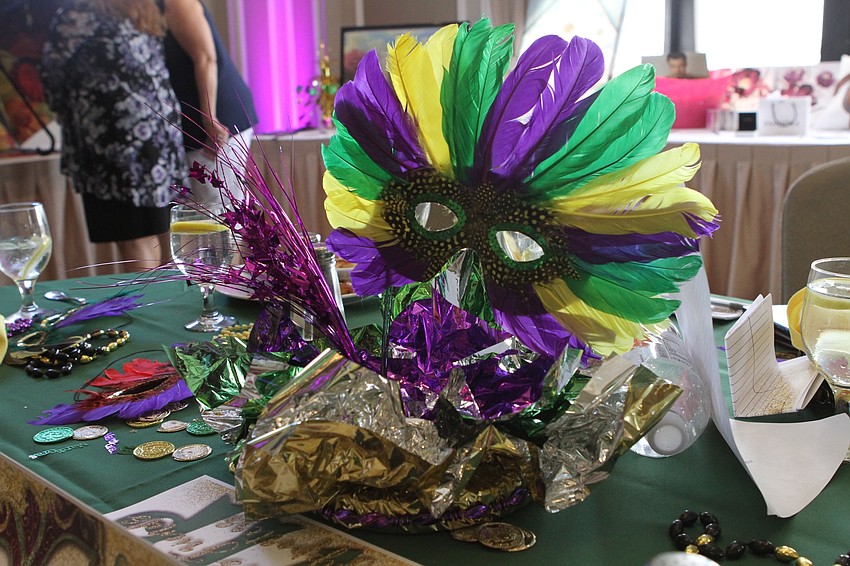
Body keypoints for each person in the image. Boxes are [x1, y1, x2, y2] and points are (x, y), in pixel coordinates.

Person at [41, 0, 187, 269]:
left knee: (134, 239)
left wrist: (62, 108)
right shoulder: (141, 7)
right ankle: (172, 307)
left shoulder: (79, 13)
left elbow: (53, 72)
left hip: (113, 141)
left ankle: (149, 309)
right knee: (164, 234)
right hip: (159, 134)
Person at [162, 0, 258, 205]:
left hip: (213, 117)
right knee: (204, 214)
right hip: (189, 122)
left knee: (220, 211)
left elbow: (205, 58)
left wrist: (209, 119)